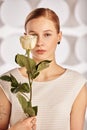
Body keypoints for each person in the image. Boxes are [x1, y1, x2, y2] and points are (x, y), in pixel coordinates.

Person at [0, 8, 87, 130]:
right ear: (25, 38)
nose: (40, 42)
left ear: (59, 36)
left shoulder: (76, 83)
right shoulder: (8, 81)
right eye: (33, 35)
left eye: (47, 34)